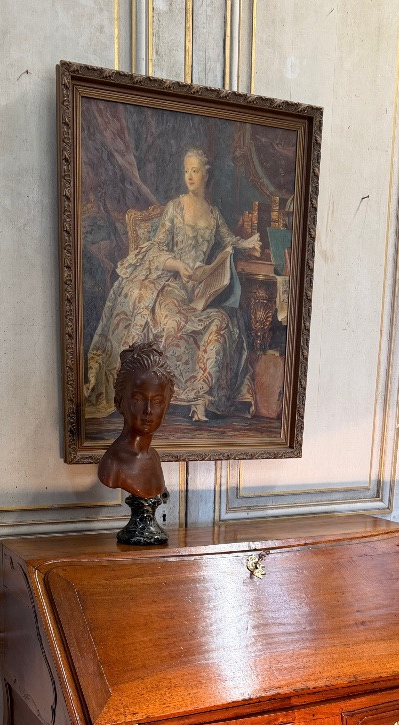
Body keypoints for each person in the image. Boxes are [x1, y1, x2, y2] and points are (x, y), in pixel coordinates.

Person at [85, 148, 261, 423]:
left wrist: (246, 244)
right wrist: (179, 266)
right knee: (174, 321)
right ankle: (177, 396)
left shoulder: (214, 214)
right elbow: (157, 250)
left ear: (206, 174)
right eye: (186, 170)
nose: (189, 176)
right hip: (170, 285)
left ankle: (201, 399)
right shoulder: (175, 208)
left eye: (195, 170)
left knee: (221, 322)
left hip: (200, 290)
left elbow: (228, 241)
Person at [97, 342, 175, 498]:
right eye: (138, 399)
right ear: (119, 402)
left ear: (166, 407)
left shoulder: (154, 457)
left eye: (158, 402)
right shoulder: (113, 465)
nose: (148, 410)